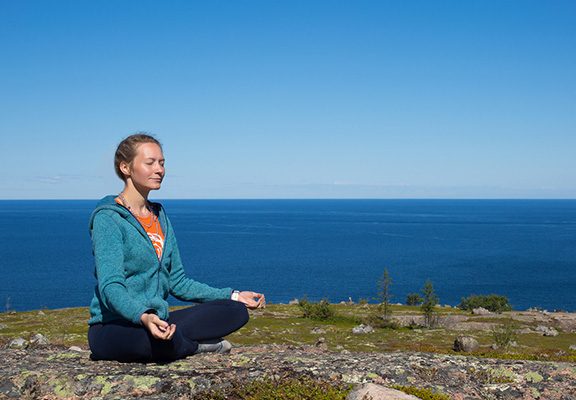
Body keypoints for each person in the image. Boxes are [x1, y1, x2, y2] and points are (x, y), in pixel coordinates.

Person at [88, 133, 265, 363]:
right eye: (150, 163)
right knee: (153, 343)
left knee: (236, 311)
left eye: (162, 163)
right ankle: (195, 346)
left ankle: (176, 340)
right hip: (113, 326)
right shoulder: (108, 218)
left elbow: (178, 282)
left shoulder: (159, 215)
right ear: (125, 167)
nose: (159, 169)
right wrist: (143, 316)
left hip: (157, 321)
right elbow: (111, 286)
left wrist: (235, 295)